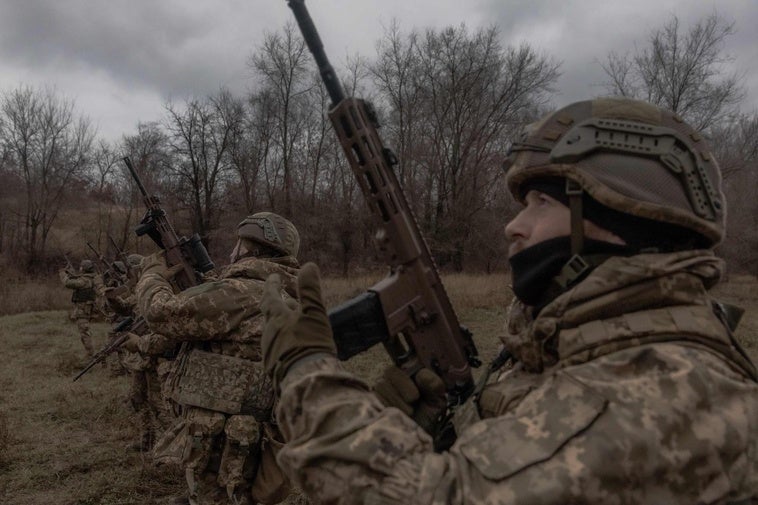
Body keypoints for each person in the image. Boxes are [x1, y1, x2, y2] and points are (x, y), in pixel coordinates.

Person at [260, 97, 758, 504]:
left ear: (616, 214)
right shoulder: (585, 346)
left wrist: (307, 372)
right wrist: (439, 431)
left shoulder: (662, 387)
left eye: (542, 203)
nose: (513, 226)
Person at [134, 212, 303, 505]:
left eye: (237, 245)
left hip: (222, 438)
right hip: (256, 435)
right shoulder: (289, 296)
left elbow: (159, 313)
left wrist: (152, 275)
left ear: (249, 249)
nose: (231, 251)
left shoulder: (238, 293)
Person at [60, 259, 103, 358]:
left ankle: (91, 355)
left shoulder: (85, 281)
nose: (80, 268)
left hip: (83, 310)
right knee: (84, 333)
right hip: (85, 309)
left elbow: (68, 283)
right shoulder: (91, 278)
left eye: (81, 267)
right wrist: (70, 272)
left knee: (84, 332)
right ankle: (90, 353)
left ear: (84, 269)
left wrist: (62, 273)